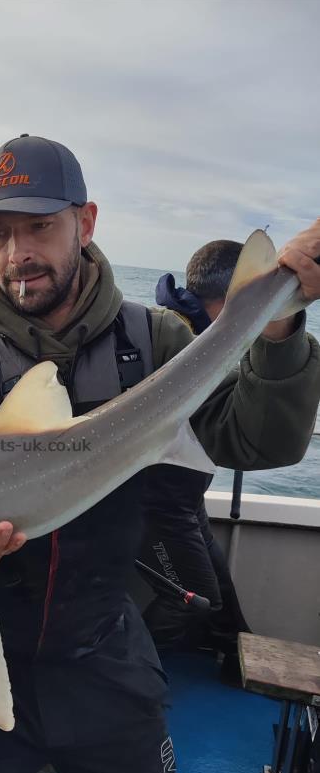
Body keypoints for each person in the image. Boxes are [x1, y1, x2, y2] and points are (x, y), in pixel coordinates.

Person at [0, 134, 320, 773]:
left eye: (38, 227)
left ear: (84, 221)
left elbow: (260, 441)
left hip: (102, 648)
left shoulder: (155, 340)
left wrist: (277, 326)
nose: (16, 252)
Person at [139, 240, 252, 667]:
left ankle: (235, 667)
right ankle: (127, 681)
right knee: (193, 600)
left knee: (222, 603)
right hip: (156, 505)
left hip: (187, 501)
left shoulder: (208, 334)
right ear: (235, 295)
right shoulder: (173, 340)